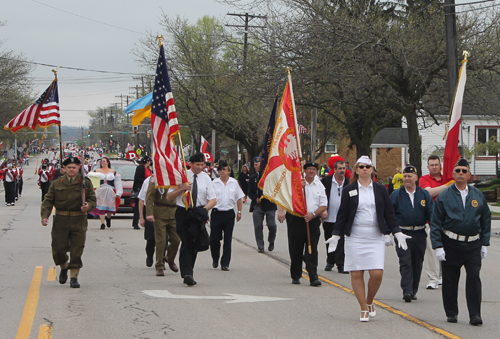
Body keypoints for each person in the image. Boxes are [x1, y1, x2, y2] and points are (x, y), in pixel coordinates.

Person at [325, 156, 410, 322]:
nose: (365, 169)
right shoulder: (350, 189)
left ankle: (369, 300)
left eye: (368, 167)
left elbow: (388, 214)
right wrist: (336, 234)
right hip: (355, 236)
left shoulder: (380, 189)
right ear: (356, 170)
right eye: (361, 166)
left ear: (372, 169)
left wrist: (396, 232)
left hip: (374, 236)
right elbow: (342, 215)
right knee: (357, 273)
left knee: (377, 273)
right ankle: (363, 307)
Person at [430, 158, 491, 326]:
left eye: (464, 171)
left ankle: (475, 315)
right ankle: (451, 313)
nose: (461, 174)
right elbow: (435, 222)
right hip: (451, 243)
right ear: (452, 174)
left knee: (473, 277)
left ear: (469, 175)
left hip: (472, 244)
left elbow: (485, 219)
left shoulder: (477, 195)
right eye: (458, 171)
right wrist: (438, 246)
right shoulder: (444, 196)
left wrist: (484, 243)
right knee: (450, 280)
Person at [40, 157, 96, 288]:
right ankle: (64, 266)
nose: (71, 170)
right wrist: (45, 216)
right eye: (69, 167)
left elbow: (92, 199)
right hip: (61, 220)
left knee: (77, 248)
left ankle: (74, 276)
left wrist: (88, 206)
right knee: (58, 248)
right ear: (64, 169)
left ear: (78, 169)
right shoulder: (57, 183)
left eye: (74, 167)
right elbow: (48, 201)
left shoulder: (85, 183)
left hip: (78, 219)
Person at [167, 153, 216, 286]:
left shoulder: (206, 178)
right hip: (183, 212)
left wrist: (204, 210)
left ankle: (188, 271)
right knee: (187, 241)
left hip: (198, 212)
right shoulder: (182, 176)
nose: (200, 167)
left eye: (202, 165)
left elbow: (213, 199)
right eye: (197, 165)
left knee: (195, 244)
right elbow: (169, 196)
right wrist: (182, 188)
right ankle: (187, 273)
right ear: (191, 164)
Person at [390, 165, 433, 302]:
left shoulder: (424, 194)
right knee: (405, 262)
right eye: (405, 176)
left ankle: (413, 290)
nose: (407, 178)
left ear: (416, 178)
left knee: (417, 263)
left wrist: (433, 228)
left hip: (420, 233)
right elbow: (390, 215)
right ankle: (407, 290)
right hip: (402, 233)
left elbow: (431, 213)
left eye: (410, 176)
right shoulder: (396, 195)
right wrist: (387, 232)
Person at [285, 162, 327, 286]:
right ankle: (296, 275)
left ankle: (313, 277)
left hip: (312, 220)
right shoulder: (297, 182)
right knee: (296, 248)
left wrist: (313, 215)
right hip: (298, 219)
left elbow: (324, 205)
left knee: (312, 249)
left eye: (314, 169)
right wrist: (298, 188)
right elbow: (288, 199)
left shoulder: (319, 185)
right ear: (305, 170)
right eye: (309, 169)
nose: (311, 171)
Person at [419, 155, 454, 290]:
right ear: (428, 167)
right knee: (432, 250)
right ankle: (432, 278)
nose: (434, 167)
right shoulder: (424, 179)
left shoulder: (448, 178)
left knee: (446, 249)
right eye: (431, 165)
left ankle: (442, 276)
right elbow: (429, 193)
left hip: (448, 220)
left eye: (436, 164)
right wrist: (447, 186)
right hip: (431, 220)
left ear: (441, 166)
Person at [210, 161, 245, 271]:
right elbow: (209, 198)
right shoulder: (214, 183)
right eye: (220, 170)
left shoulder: (233, 182)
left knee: (228, 239)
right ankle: (215, 258)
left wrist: (239, 211)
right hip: (216, 213)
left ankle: (225, 263)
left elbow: (239, 197)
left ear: (228, 171)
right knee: (214, 239)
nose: (222, 171)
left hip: (229, 213)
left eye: (224, 169)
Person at [146, 175, 180, 276]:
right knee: (161, 241)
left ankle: (169, 258)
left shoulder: (176, 176)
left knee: (176, 240)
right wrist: (149, 213)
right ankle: (159, 265)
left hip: (174, 212)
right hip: (160, 212)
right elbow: (150, 196)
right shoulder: (156, 177)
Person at [321, 160, 349, 273]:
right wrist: (323, 210)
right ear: (335, 169)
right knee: (329, 239)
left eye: (344, 168)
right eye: (340, 168)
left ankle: (341, 264)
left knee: (342, 241)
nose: (342, 171)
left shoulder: (348, 182)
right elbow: (320, 196)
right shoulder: (326, 181)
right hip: (329, 216)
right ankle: (330, 261)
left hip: (343, 218)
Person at [248, 156, 277, 253]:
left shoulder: (270, 177)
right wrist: (254, 198)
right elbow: (249, 191)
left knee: (272, 225)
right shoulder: (253, 178)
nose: (255, 166)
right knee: (258, 227)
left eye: (257, 164)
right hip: (258, 206)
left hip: (269, 205)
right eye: (254, 164)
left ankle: (271, 240)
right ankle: (260, 246)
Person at [88, 157, 123, 229]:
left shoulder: (113, 172)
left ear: (107, 162)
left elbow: (118, 183)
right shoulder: (96, 171)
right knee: (101, 206)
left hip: (110, 190)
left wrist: (118, 193)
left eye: (104, 161)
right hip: (100, 190)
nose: (102, 162)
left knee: (109, 206)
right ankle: (102, 223)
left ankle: (108, 218)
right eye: (101, 161)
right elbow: (90, 179)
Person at [138, 174, 157, 268]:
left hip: (163, 211)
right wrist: (141, 217)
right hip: (150, 210)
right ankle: (150, 256)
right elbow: (141, 200)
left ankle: (161, 260)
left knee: (164, 238)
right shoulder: (148, 181)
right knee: (151, 239)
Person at [133, 156, 152, 229]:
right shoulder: (140, 168)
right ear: (147, 161)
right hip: (140, 189)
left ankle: (145, 221)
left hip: (147, 189)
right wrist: (146, 180)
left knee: (144, 207)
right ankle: (135, 223)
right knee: (138, 207)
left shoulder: (148, 169)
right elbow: (137, 178)